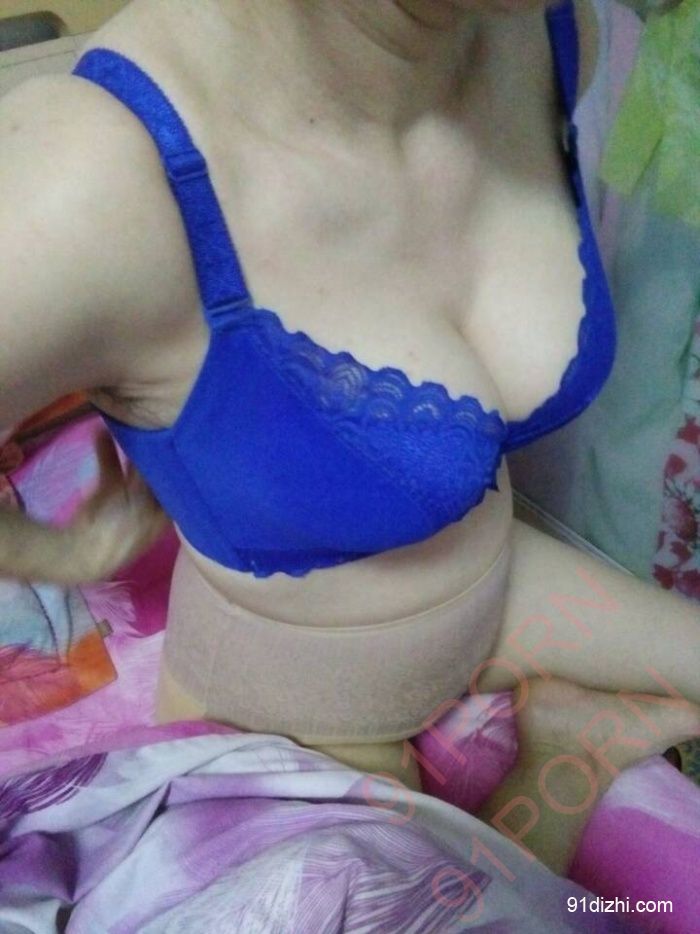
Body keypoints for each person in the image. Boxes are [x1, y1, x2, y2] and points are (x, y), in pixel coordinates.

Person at [0, 0, 698, 879]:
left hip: (499, 590)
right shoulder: (89, 185)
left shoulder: (555, 34)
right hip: (300, 699)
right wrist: (59, 552)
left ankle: (567, 740)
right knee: (469, 902)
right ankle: (564, 757)